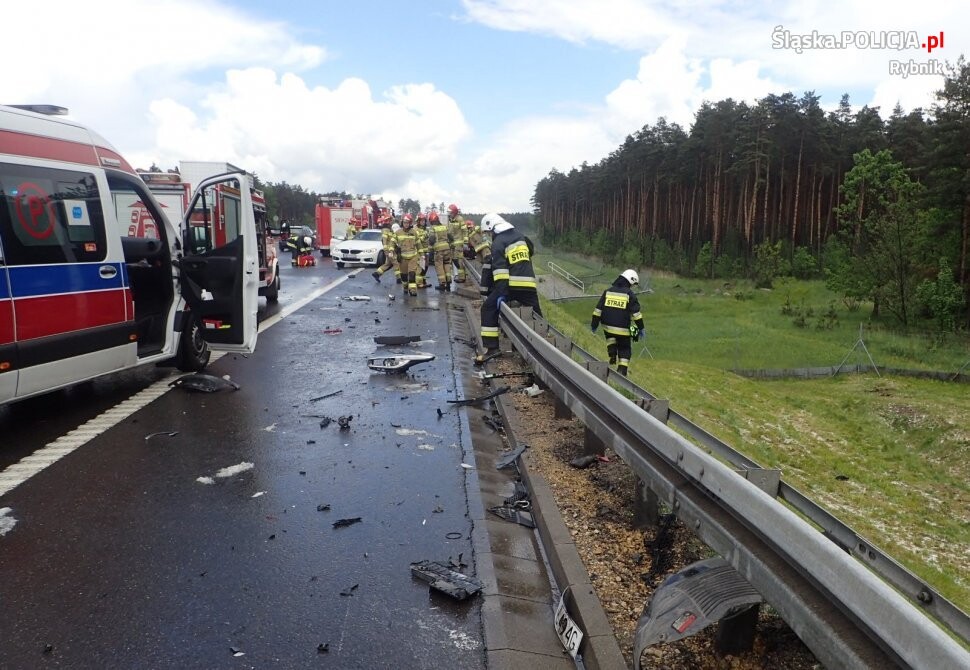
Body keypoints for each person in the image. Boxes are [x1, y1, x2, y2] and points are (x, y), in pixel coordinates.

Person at [477, 213, 541, 362]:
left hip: (512, 286)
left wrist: (501, 293)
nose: (489, 235)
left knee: (487, 308)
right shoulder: (520, 236)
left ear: (493, 228)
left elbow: (500, 271)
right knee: (537, 317)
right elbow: (530, 250)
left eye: (489, 232)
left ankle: (492, 348)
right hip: (529, 285)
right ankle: (544, 348)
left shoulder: (499, 242)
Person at [590, 269, 645, 376]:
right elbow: (636, 315)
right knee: (625, 348)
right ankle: (621, 371)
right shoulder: (629, 294)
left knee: (611, 336)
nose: (632, 287)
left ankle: (612, 354)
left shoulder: (608, 291)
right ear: (630, 280)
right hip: (623, 330)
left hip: (607, 328)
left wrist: (594, 326)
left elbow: (597, 311)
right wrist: (641, 328)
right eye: (633, 284)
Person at [393, 214, 421, 297]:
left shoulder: (414, 232)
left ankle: (413, 290)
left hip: (413, 256)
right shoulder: (398, 232)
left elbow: (418, 244)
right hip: (403, 258)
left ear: (410, 223)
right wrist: (391, 250)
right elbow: (392, 241)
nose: (406, 224)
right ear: (402, 222)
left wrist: (422, 254)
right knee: (404, 276)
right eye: (404, 222)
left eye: (407, 223)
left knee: (412, 274)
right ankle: (405, 287)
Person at [427, 210, 453, 290]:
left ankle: (442, 284)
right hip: (447, 249)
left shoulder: (432, 228)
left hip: (438, 250)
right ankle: (448, 282)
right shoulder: (445, 227)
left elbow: (431, 240)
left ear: (431, 221)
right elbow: (451, 237)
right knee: (447, 264)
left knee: (439, 266)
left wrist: (430, 252)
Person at [465, 218, 491, 296]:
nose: (469, 228)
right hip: (478, 251)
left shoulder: (477, 229)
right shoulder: (468, 234)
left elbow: (482, 231)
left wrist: (483, 237)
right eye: (468, 227)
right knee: (482, 264)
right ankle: (486, 279)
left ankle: (489, 281)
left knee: (488, 262)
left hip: (484, 248)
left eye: (470, 227)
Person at [372, 218, 401, 284]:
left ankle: (377, 273)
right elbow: (385, 241)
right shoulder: (386, 231)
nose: (391, 222)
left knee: (388, 264)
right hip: (390, 251)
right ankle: (399, 278)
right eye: (390, 221)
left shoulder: (389, 230)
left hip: (390, 250)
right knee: (395, 263)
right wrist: (386, 250)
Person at [447, 203, 467, 283]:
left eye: (450, 213)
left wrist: (465, 242)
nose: (449, 214)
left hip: (458, 244)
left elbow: (465, 230)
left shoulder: (460, 219)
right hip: (452, 244)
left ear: (454, 212)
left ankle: (462, 277)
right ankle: (460, 276)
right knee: (454, 260)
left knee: (458, 260)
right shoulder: (451, 220)